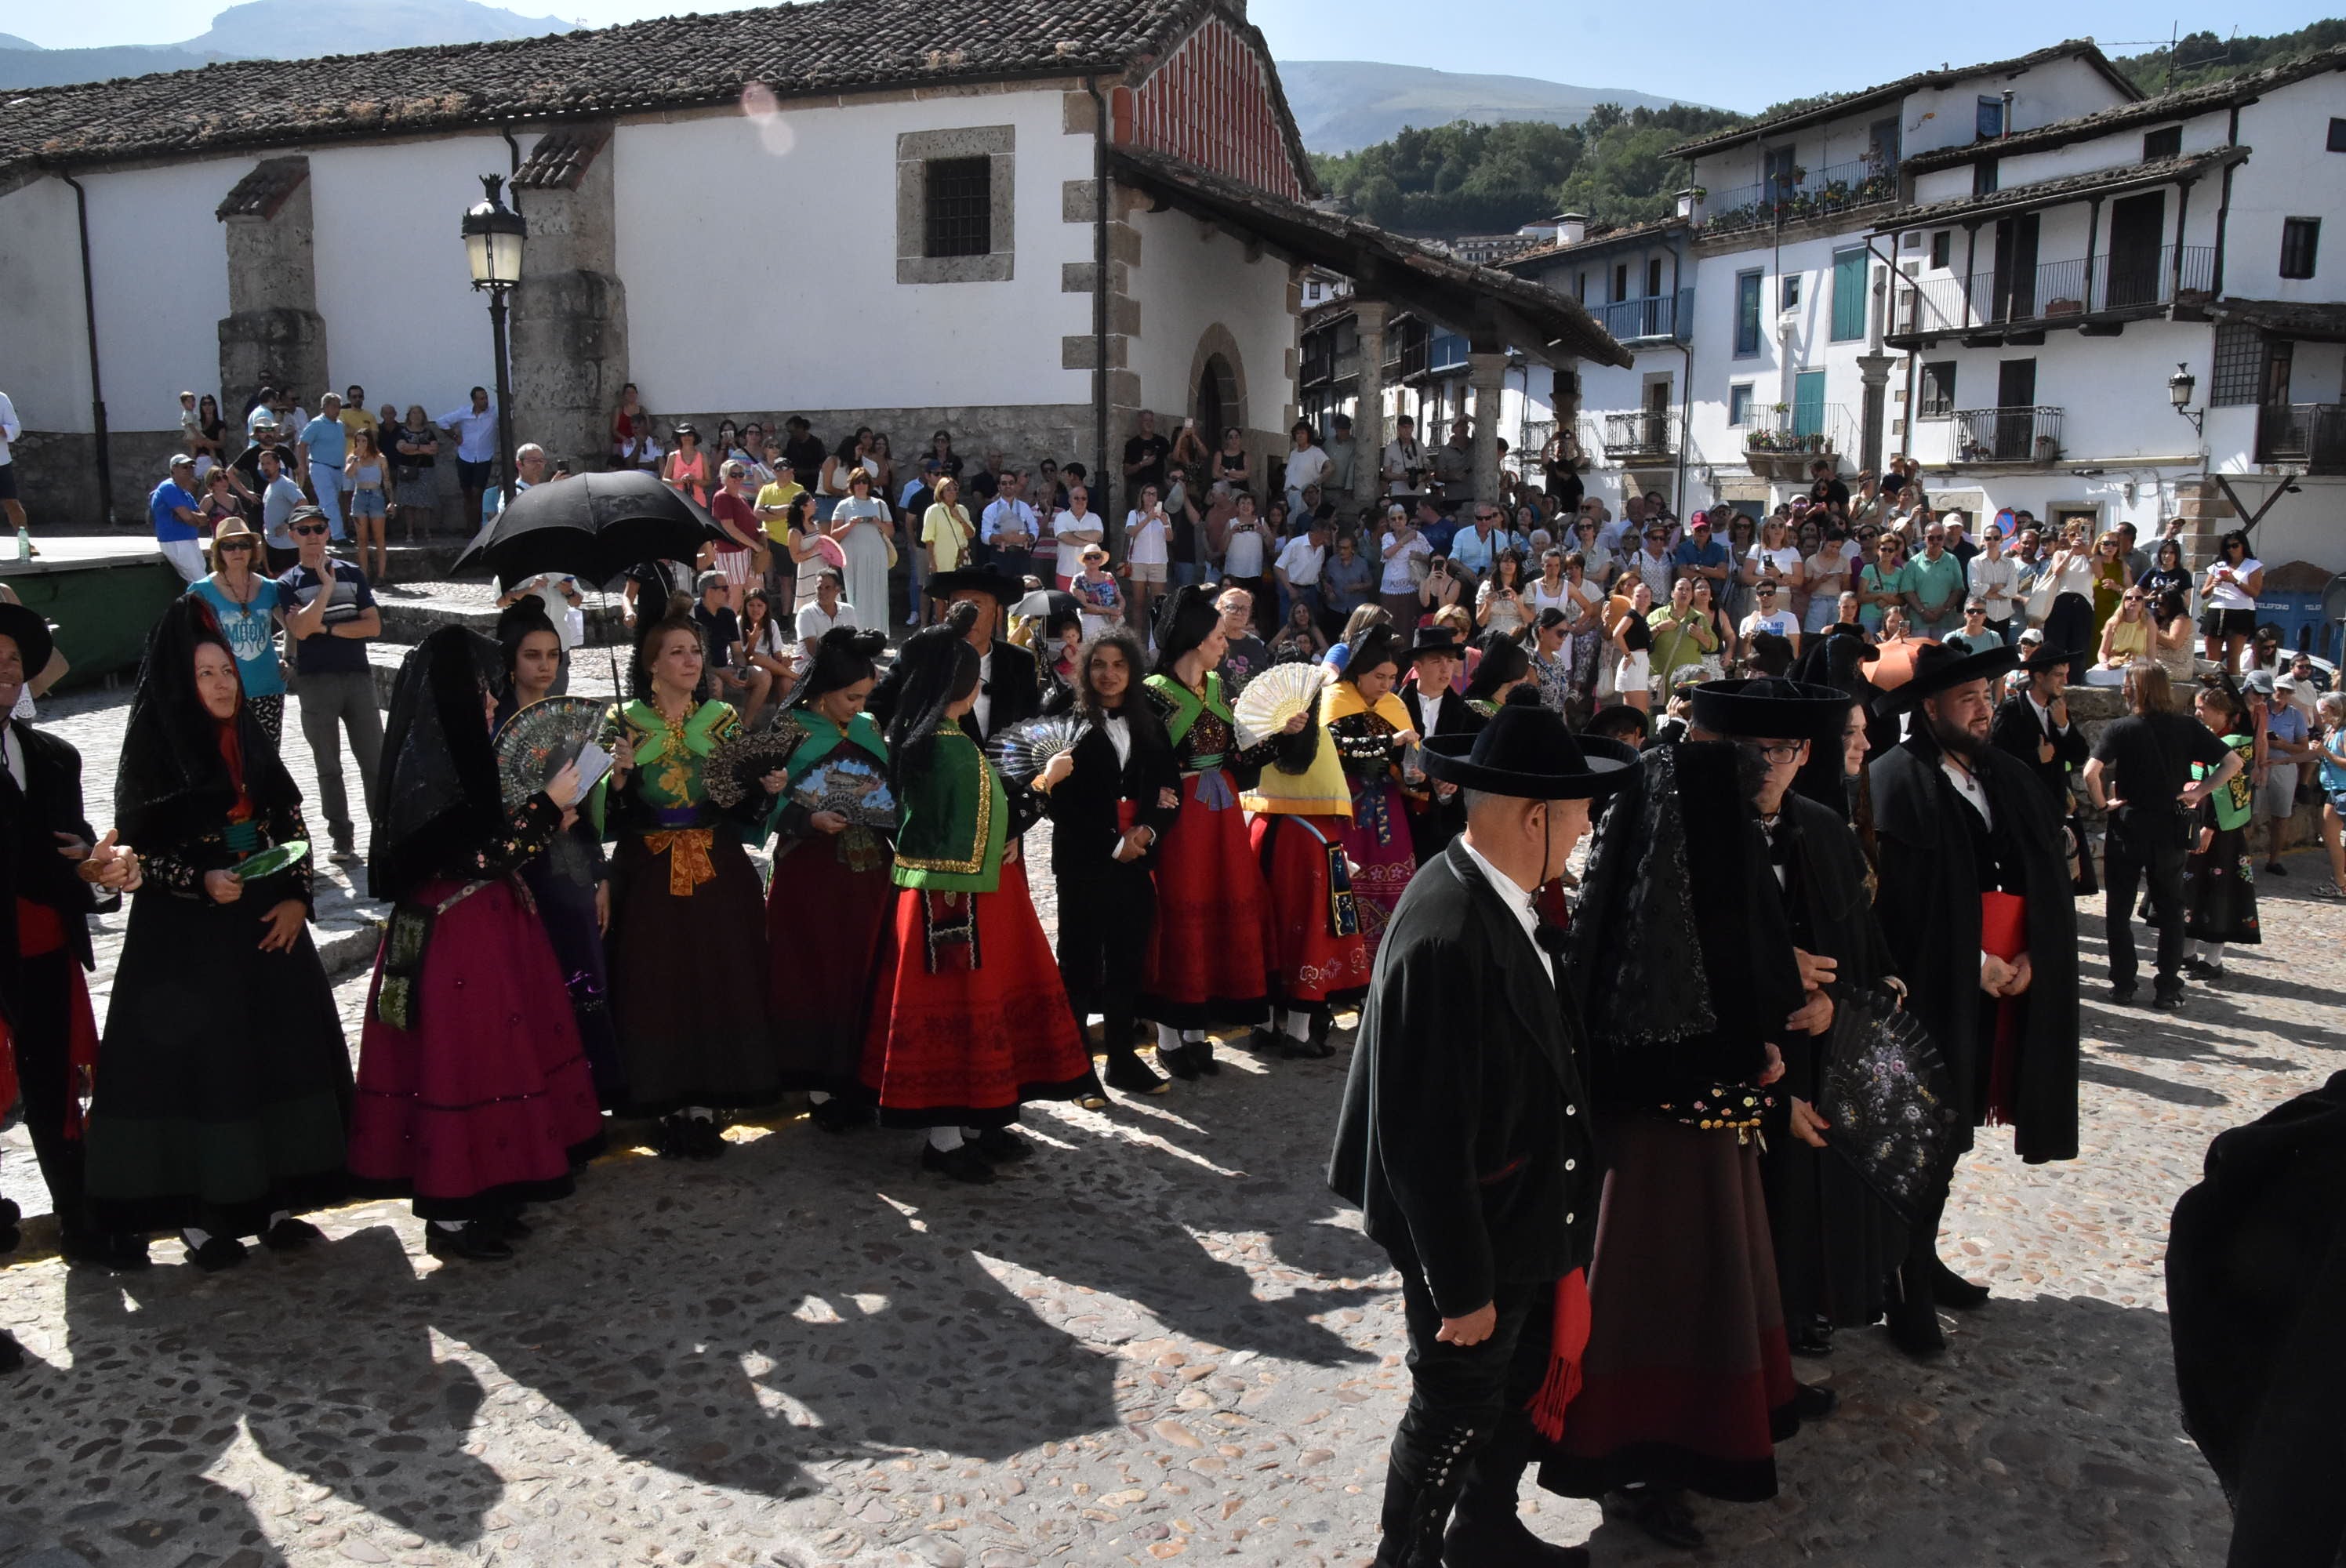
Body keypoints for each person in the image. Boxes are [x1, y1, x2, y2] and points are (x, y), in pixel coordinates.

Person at [1331, 691, 1625, 1568]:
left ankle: (1484, 1530)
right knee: (1454, 1401)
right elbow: (1422, 1145)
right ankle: (1406, 1557)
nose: (1583, 832)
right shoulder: (1447, 931)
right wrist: (1461, 1285)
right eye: (1577, 816)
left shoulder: (1507, 894)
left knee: (1505, 1387)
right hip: (1470, 1229)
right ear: (1533, 814)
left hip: (1520, 1206)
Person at [1545, 706, 1828, 1548]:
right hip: (1666, 1119)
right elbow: (1727, 944)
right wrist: (1751, 1047)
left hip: (1686, 1102)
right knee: (1657, 1292)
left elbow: (1726, 950)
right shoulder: (1693, 804)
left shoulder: (1666, 794)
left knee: (1702, 1283)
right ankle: (1638, 1458)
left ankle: (1684, 1439)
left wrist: (1753, 1047)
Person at [85, 597, 350, 1269]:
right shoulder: (158, 752)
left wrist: (294, 898)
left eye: (226, 669)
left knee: (272, 1057)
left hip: (264, 932)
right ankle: (203, 1216)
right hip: (186, 946)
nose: (222, 684)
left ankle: (275, 1202)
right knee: (204, 1073)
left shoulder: (252, 742)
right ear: (182, 683)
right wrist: (196, 880)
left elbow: (290, 824)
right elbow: (142, 854)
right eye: (205, 674)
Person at [349, 626, 603, 1264]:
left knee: (501, 1057)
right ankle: (453, 1212)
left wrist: (549, 818)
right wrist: (547, 811)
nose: (491, 703)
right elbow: (477, 857)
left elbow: (496, 844)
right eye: (480, 692)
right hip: (454, 941)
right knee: (462, 1065)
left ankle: (492, 1194)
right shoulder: (429, 772)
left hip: (489, 929)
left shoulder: (463, 760)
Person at [1872, 641, 2081, 1356]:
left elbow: (2042, 875)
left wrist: (2031, 952)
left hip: (2007, 980)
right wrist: (1974, 960)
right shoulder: (1893, 782)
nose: (1985, 709)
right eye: (1968, 700)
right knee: (1922, 1137)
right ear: (1928, 710)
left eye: (1988, 697)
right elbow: (1897, 907)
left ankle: (1924, 1258)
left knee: (1956, 1133)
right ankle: (1902, 1284)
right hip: (1937, 989)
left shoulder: (2004, 776)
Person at [1691, 679, 1905, 1364]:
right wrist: (1768, 965)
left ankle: (1803, 1303)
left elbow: (1867, 954)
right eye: (1750, 750)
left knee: (1804, 1188)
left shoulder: (1825, 832)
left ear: (1803, 752)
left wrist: (1835, 1004)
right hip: (1722, 1056)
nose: (1766, 765)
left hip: (1813, 1056)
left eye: (1780, 750)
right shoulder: (1690, 836)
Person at [861, 604, 1095, 1181]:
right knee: (960, 1012)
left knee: (963, 1011)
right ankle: (945, 1138)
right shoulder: (953, 750)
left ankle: (970, 1124)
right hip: (959, 900)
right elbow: (999, 825)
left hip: (945, 896)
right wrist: (1046, 781)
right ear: (962, 687)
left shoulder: (926, 739)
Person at [0, 601, 147, 1272]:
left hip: (42, 953)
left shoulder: (53, 757)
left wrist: (95, 872)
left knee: (58, 1092)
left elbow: (72, 857)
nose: (4, 675)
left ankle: (79, 1221)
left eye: (12, 664)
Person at [601, 614, 780, 1156]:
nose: (690, 660)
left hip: (715, 866)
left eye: (695, 650)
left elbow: (738, 802)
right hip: (647, 871)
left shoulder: (721, 720)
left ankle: (705, 1104)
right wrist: (622, 776)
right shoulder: (622, 722)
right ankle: (663, 1099)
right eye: (676, 651)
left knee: (714, 976)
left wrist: (766, 788)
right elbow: (607, 814)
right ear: (652, 663)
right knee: (658, 981)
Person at [1135, 586, 1287, 1077]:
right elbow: (1144, 764)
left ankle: (1198, 1030)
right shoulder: (1152, 692)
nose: (1227, 644)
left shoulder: (1219, 688)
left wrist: (1279, 737)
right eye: (1220, 636)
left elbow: (1237, 757)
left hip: (1220, 814)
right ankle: (1169, 1033)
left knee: (1220, 905)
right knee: (1181, 910)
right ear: (1197, 638)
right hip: (1180, 816)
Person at [764, 627, 893, 1129]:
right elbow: (760, 800)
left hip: (869, 875)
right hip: (810, 874)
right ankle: (820, 1087)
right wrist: (806, 818)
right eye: (850, 697)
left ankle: (866, 1077)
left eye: (865, 697)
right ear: (822, 691)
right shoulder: (786, 729)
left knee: (866, 968)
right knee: (815, 970)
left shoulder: (865, 727)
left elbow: (886, 791)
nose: (858, 707)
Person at [1048, 626, 1181, 1093]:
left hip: (1137, 857)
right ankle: (1076, 1066)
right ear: (1086, 669)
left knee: (1127, 960)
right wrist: (1111, 842)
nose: (1109, 674)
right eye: (1100, 665)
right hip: (1084, 859)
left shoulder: (1150, 720)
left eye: (1119, 665)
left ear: (1133, 670)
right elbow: (1058, 801)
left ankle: (1122, 1058)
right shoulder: (1062, 716)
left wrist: (1146, 831)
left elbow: (1169, 788)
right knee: (1080, 963)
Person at [2085, 659, 2242, 1009]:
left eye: (2127, 684)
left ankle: (2123, 984)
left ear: (2136, 689)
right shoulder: (2186, 727)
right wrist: (2199, 793)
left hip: (2129, 824)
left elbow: (2090, 772)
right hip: (2170, 826)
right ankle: (2168, 989)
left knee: (2119, 909)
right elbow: (2233, 763)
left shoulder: (2121, 728)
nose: (2123, 689)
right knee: (2171, 910)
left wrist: (2103, 804)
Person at [276, 506, 383, 862]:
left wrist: (325, 627)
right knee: (328, 766)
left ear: (327, 531)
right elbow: (299, 631)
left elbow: (372, 626)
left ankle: (384, 832)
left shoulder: (353, 573)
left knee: (374, 760)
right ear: (292, 535)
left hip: (357, 677)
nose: (312, 536)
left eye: (318, 528)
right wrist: (326, 588)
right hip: (315, 682)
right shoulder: (287, 583)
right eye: (303, 530)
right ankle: (342, 838)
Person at [871, 566, 1051, 742]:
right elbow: (876, 711)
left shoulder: (1019, 662)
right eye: (958, 605)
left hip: (1001, 769)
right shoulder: (920, 656)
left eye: (976, 606)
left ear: (997, 612)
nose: (968, 616)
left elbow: (1030, 725)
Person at [2160, 679, 2261, 979]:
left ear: (2223, 712)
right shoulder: (2206, 739)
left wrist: (2210, 828)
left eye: (2204, 708)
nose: (2198, 713)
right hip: (2193, 824)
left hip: (2220, 831)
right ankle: (2187, 952)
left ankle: (2213, 959)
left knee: (2219, 892)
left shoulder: (2237, 746)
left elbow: (2226, 794)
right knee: (2190, 889)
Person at [1989, 641, 2094, 892]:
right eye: (2058, 675)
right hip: (2024, 812)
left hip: (2056, 806)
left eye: (2065, 675)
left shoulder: (2058, 709)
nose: (2063, 681)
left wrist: (2063, 726)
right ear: (2038, 676)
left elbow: (2080, 755)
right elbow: (1994, 758)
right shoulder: (2012, 710)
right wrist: (2035, 756)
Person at [186, 518, 289, 743]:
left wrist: (291, 659)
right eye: (228, 546)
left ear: (253, 550)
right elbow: (190, 640)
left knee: (268, 761)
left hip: (267, 686)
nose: (237, 551)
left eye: (244, 545)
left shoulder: (270, 588)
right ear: (219, 553)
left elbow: (291, 626)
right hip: (223, 691)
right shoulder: (200, 591)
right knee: (228, 760)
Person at [1400, 626, 1480, 862]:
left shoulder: (1464, 713)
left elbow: (1470, 761)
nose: (1446, 668)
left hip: (1445, 817)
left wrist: (1453, 781)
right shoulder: (1396, 706)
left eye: (1449, 660)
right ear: (1418, 667)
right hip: (1403, 812)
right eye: (1436, 661)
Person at [2258, 671, 2315, 874]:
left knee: (2281, 816)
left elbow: (2303, 748)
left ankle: (2274, 861)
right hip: (2261, 763)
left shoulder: (2295, 715)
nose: (2282, 694)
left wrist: (2282, 744)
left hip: (2283, 765)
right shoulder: (2261, 710)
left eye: (2287, 691)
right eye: (2279, 690)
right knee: (2250, 815)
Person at [830, 466, 895, 633]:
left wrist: (877, 523)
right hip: (852, 554)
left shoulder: (880, 504)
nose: (861, 485)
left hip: (876, 553)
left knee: (877, 592)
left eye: (864, 481)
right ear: (852, 484)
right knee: (855, 592)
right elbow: (834, 535)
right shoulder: (843, 505)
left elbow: (891, 531)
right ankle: (856, 631)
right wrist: (850, 524)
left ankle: (878, 631)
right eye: (857, 481)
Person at [436, 387, 499, 530]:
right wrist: (454, 436)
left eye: (486, 398)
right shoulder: (464, 413)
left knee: (477, 493)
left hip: (484, 458)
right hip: (466, 457)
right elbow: (441, 421)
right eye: (481, 399)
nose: (485, 401)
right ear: (474, 400)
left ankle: (476, 528)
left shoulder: (493, 412)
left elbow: (511, 408)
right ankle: (469, 527)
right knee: (467, 494)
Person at [919, 476, 977, 630]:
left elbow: (971, 534)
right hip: (942, 558)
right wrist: (932, 562)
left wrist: (960, 519)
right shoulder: (933, 511)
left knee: (960, 594)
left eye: (954, 488)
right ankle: (941, 629)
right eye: (948, 489)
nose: (952, 492)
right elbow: (928, 539)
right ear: (941, 491)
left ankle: (959, 629)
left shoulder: (962, 510)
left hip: (961, 560)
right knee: (940, 597)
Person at [708, 460, 765, 615]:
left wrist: (760, 533)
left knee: (758, 595)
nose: (738, 478)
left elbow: (745, 526)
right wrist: (755, 544)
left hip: (748, 552)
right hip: (730, 553)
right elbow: (729, 528)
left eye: (741, 474)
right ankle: (728, 636)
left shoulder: (742, 498)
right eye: (733, 474)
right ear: (724, 476)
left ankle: (755, 633)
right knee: (733, 600)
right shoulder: (722, 497)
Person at [296, 393, 350, 543]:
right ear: (324, 407)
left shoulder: (339, 425)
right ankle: (338, 536)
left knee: (326, 503)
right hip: (321, 467)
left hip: (337, 469)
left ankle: (321, 531)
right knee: (330, 502)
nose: (337, 410)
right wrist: (303, 466)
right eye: (334, 406)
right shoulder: (316, 424)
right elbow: (302, 444)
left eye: (339, 407)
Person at [343, 426, 394, 582]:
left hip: (376, 496)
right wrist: (357, 458)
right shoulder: (352, 458)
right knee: (362, 540)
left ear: (370, 442)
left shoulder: (380, 458)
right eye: (358, 441)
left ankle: (381, 575)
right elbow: (348, 475)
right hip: (360, 496)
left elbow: (387, 481)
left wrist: (392, 501)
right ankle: (363, 575)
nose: (361, 444)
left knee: (379, 538)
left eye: (364, 441)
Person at [151, 455, 208, 583]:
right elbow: (189, 519)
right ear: (173, 470)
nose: (189, 469)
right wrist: (191, 518)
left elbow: (204, 520)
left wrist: (190, 517)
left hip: (189, 541)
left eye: (191, 467)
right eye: (184, 467)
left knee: (199, 581)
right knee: (201, 581)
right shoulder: (168, 487)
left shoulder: (185, 493)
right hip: (176, 541)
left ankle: (194, 603)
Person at [2091, 585, 2154, 679]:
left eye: (2138, 598)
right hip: (2116, 663)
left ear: (2142, 603)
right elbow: (2102, 652)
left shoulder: (2148, 622)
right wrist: (2105, 664)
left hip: (2138, 664)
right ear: (2123, 602)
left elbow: (2151, 651)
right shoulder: (2112, 623)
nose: (2134, 600)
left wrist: (2151, 669)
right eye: (2129, 598)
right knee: (2091, 676)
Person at [1070, 543, 1124, 638]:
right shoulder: (1078, 579)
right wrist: (1110, 611)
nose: (1093, 560)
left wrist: (1118, 612)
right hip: (1090, 620)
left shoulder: (1109, 576)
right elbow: (1084, 606)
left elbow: (1120, 598)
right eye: (1089, 557)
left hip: (1112, 619)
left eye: (1096, 556)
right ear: (1084, 560)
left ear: (1101, 560)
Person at [661, 421, 712, 509]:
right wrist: (680, 481)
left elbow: (708, 481)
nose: (687, 437)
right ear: (679, 438)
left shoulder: (703, 456)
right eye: (683, 435)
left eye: (690, 435)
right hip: (678, 501)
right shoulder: (673, 456)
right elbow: (665, 480)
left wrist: (694, 481)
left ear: (694, 437)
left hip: (699, 503)